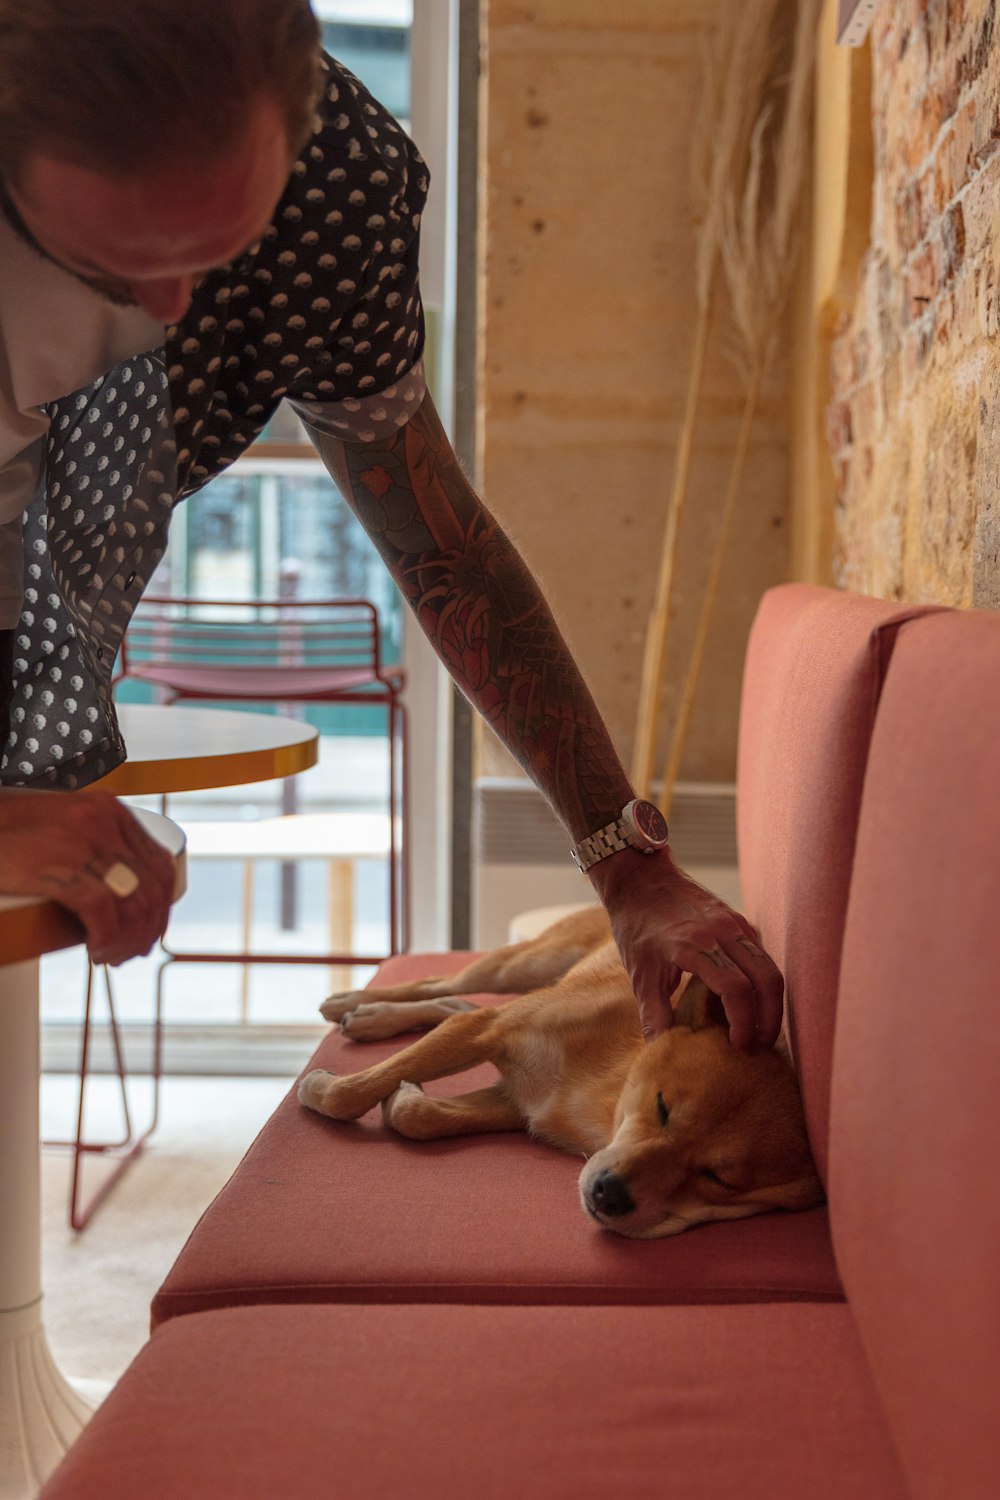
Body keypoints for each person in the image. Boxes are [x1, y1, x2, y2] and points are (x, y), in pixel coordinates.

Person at [0, 0, 783, 1047]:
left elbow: (436, 535)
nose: (172, 307)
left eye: (221, 247)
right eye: (109, 264)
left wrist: (632, 869)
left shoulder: (337, 194)